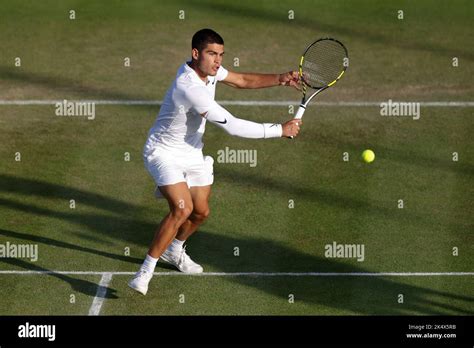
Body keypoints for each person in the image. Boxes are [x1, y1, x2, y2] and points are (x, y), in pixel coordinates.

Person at [129, 28, 302, 295]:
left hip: (192, 152)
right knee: (182, 209)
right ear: (196, 53)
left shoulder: (207, 71)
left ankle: (174, 251)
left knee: (201, 213)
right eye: (212, 54)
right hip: (163, 152)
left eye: (221, 54)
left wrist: (281, 78)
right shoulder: (189, 87)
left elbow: (242, 79)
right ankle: (145, 271)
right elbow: (231, 126)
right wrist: (280, 129)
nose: (218, 61)